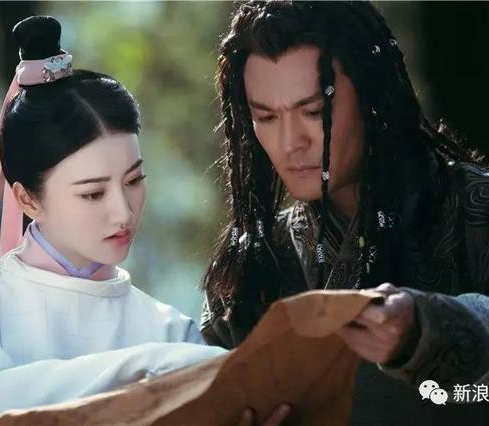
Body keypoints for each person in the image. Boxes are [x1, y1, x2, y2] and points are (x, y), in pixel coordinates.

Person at [0, 16, 231, 426]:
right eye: (93, 193)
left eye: (134, 181)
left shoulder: (170, 330)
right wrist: (158, 367)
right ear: (27, 199)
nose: (124, 212)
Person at [200, 1, 489, 424]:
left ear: (372, 97)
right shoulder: (253, 267)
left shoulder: (476, 209)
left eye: (314, 112)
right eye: (266, 117)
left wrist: (426, 330)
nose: (290, 142)